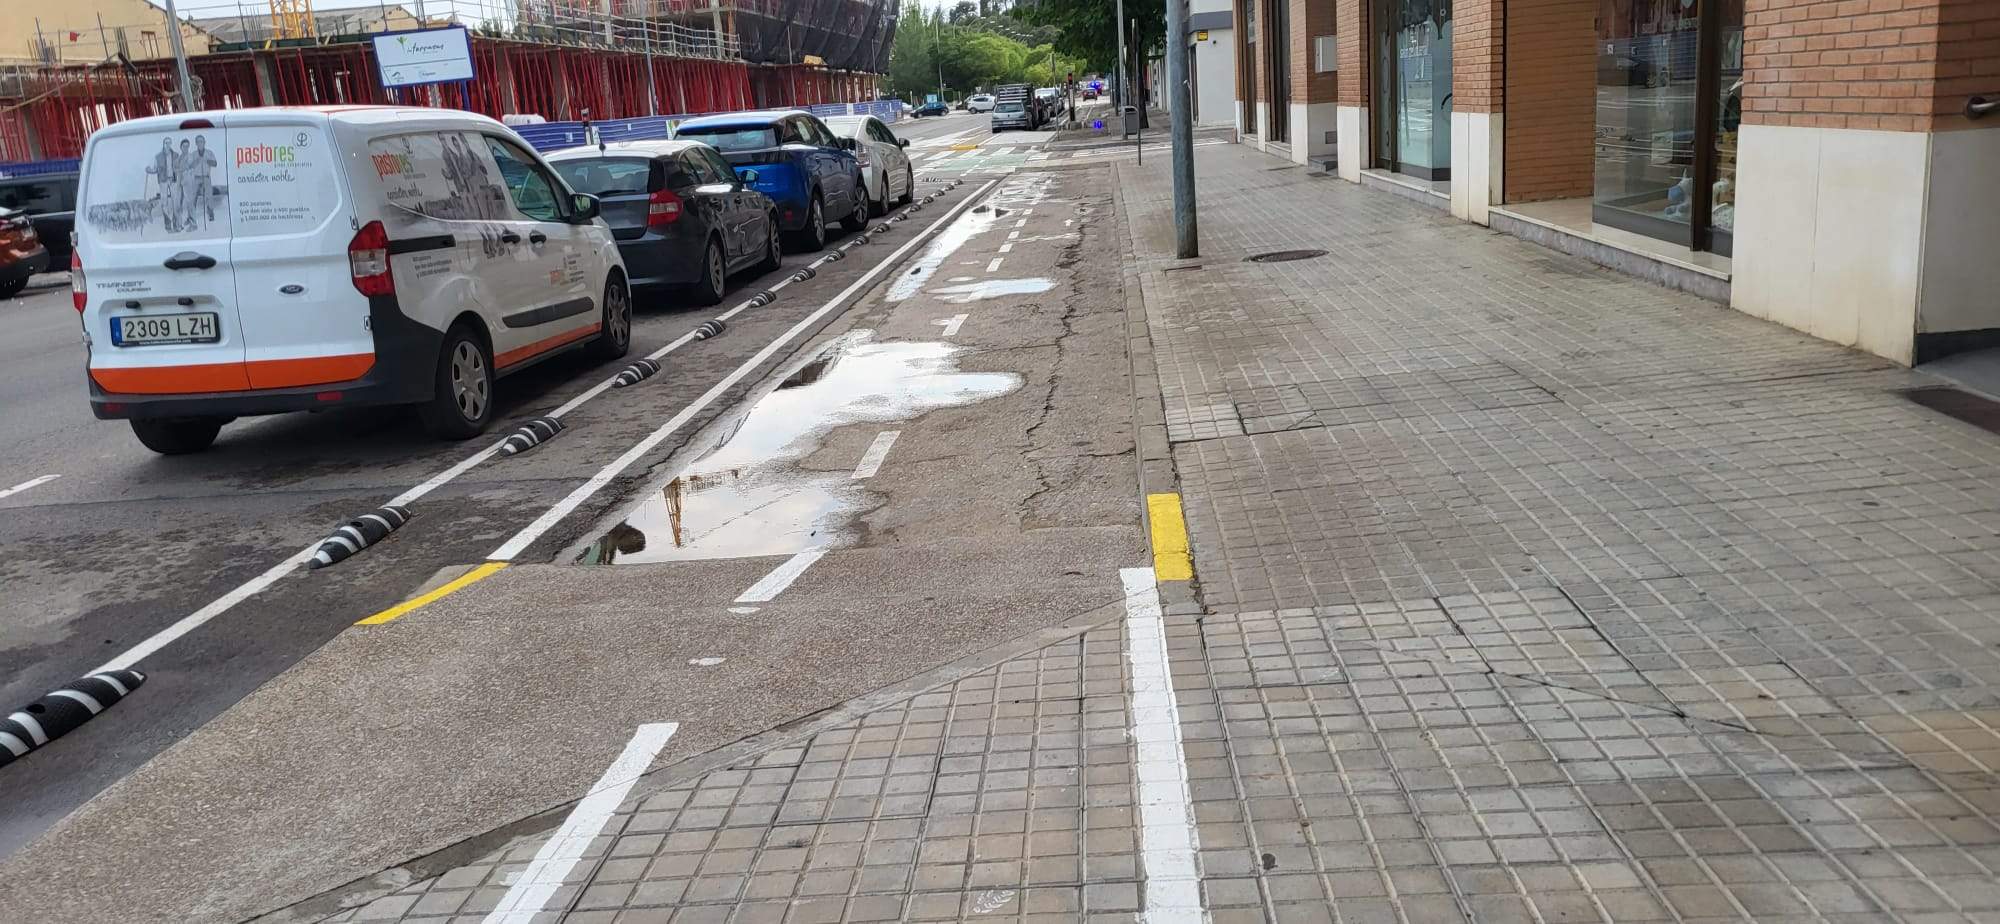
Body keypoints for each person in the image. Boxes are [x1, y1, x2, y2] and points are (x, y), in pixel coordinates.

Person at [147, 137, 179, 233]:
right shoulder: (158, 157)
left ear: (171, 144)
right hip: (163, 181)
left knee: (175, 202)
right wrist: (149, 170)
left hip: (173, 180)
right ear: (163, 144)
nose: (168, 145)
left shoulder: (176, 155)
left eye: (169, 143)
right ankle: (168, 226)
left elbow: (178, 167)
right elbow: (155, 169)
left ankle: (176, 225)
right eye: (166, 143)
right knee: (164, 203)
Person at [188, 135, 217, 226]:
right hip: (196, 178)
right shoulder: (193, 154)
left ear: (204, 143)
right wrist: (196, 161)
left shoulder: (209, 152)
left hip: (206, 177)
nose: (200, 143)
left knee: (209, 196)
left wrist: (207, 160)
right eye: (198, 141)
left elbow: (215, 163)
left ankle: (210, 213)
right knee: (193, 197)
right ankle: (191, 216)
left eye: (202, 141)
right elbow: (190, 166)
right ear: (196, 143)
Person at [174, 139, 197, 232]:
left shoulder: (190, 156)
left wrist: (179, 169)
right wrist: (179, 169)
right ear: (181, 147)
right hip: (179, 181)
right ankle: (179, 225)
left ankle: (193, 224)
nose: (186, 148)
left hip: (188, 181)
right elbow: (175, 168)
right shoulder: (179, 158)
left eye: (187, 146)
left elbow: (186, 166)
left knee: (189, 203)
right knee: (178, 203)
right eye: (184, 146)